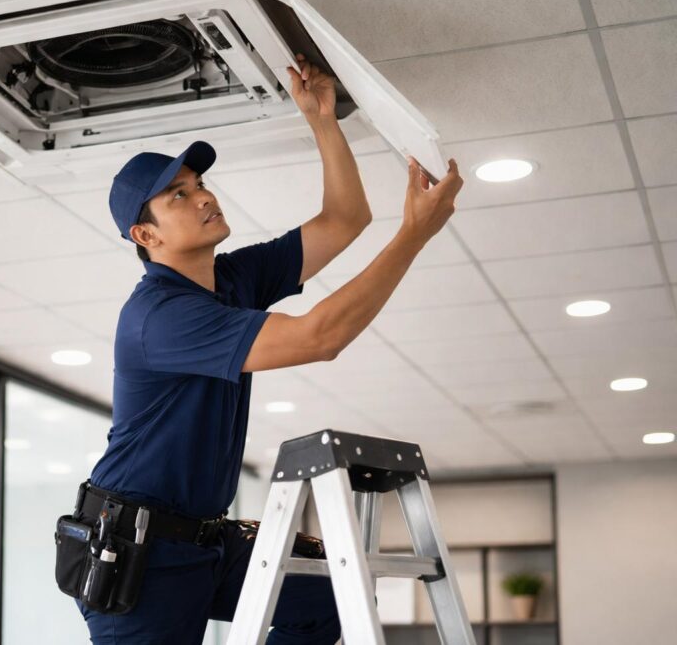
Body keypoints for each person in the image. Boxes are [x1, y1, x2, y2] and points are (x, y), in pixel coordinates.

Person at [74, 53, 464, 644]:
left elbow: (345, 218)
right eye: (178, 196)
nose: (203, 197)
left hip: (207, 538)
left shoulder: (232, 279)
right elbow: (320, 337)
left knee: (338, 590)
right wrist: (413, 236)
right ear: (145, 236)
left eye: (199, 183)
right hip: (140, 556)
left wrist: (321, 119)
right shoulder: (159, 316)